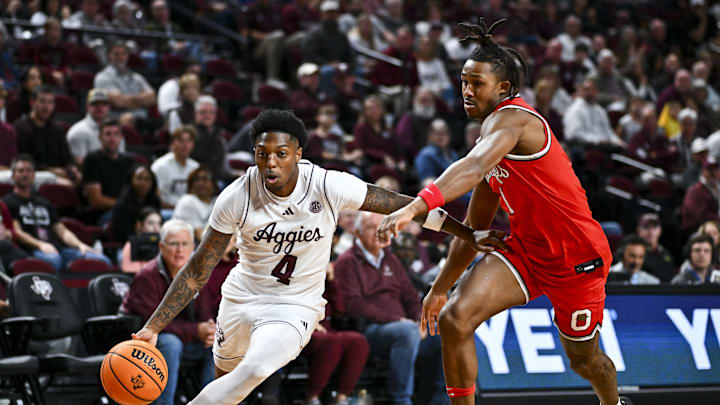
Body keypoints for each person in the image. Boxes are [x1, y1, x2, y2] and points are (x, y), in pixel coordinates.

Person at [131, 108, 476, 405]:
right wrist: (152, 327)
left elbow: (405, 205)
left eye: (281, 153)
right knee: (228, 382)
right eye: (262, 153)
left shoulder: (328, 185)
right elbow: (196, 271)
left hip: (295, 304)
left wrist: (467, 233)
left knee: (256, 367)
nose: (270, 162)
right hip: (241, 298)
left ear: (298, 153)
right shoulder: (236, 196)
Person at [377, 19, 633, 405]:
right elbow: (475, 227)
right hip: (527, 252)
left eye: (476, 83)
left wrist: (416, 206)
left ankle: (613, 403)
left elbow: (473, 165)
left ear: (505, 89)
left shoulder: (515, 119)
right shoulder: (491, 139)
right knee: (454, 319)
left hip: (576, 257)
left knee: (584, 360)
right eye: (463, 81)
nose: (465, 90)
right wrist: (440, 288)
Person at [120, 219, 215, 405]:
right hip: (145, 344)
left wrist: (209, 331)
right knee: (171, 344)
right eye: (174, 244)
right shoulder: (147, 276)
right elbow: (150, 326)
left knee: (218, 344)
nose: (180, 249)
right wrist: (196, 330)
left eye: (185, 244)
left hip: (184, 339)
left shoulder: (197, 274)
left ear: (193, 247)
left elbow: (205, 313)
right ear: (161, 247)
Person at [5, 155, 111, 271]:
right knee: (53, 260)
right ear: (13, 175)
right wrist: (40, 245)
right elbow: (17, 232)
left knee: (102, 260)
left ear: (34, 175)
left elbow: (62, 230)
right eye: (21, 171)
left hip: (58, 249)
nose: (25, 174)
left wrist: (80, 245)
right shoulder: (9, 202)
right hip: (32, 250)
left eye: (29, 171)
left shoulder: (43, 201)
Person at [109, 164, 161, 245]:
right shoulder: (122, 205)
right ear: (131, 181)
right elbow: (122, 235)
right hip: (127, 245)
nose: (143, 183)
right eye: (139, 178)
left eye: (147, 179)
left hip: (153, 243)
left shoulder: (155, 201)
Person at [151, 126, 200, 209]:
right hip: (167, 211)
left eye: (188, 141)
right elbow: (155, 196)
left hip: (191, 210)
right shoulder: (160, 166)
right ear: (172, 143)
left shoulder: (196, 167)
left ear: (193, 145)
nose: (185, 145)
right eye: (181, 141)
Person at [172, 167, 217, 241]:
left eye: (205, 179)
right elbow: (200, 236)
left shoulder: (217, 201)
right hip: (184, 244)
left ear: (213, 183)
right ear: (191, 185)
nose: (201, 183)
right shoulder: (187, 201)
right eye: (196, 180)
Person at [635, 213, 676, 282]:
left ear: (660, 230)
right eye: (646, 227)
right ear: (638, 230)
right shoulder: (634, 253)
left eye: (654, 227)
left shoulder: (666, 253)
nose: (651, 232)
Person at [121, 207, 162, 273]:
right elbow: (130, 273)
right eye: (151, 223)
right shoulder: (131, 245)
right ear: (139, 225)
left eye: (159, 224)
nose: (156, 228)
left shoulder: (164, 245)